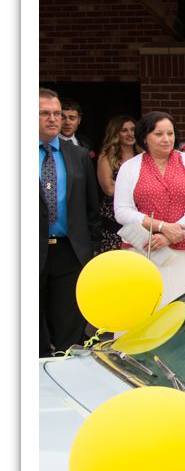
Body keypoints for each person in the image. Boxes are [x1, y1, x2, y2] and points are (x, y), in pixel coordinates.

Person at [114, 111, 185, 302]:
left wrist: (170, 235)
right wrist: (160, 226)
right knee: (143, 308)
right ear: (144, 137)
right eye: (158, 134)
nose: (166, 139)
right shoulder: (130, 167)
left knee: (184, 309)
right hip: (143, 249)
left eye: (170, 133)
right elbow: (122, 211)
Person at [39, 88, 100, 355]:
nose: (53, 119)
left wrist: (92, 247)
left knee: (69, 325)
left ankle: (63, 372)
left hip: (70, 251)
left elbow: (91, 205)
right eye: (44, 113)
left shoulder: (77, 154)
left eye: (57, 113)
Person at [94, 114, 137, 255]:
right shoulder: (107, 158)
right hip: (114, 220)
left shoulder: (143, 155)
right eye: (124, 130)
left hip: (140, 218)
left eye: (133, 129)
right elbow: (109, 189)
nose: (130, 134)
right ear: (115, 133)